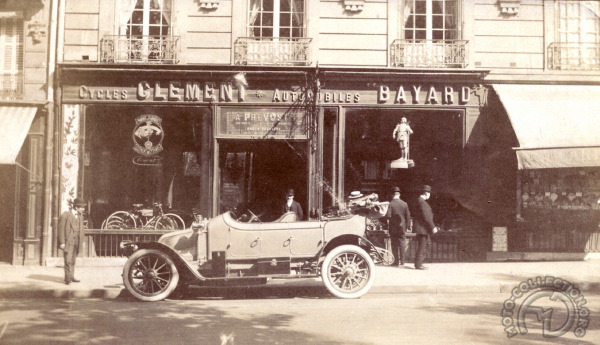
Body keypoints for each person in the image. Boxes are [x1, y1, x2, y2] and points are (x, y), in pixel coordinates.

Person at [58, 197, 86, 285]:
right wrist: (62, 242)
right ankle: (67, 279)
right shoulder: (65, 215)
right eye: (81, 207)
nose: (83, 209)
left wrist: (82, 241)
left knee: (73, 260)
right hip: (68, 242)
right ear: (76, 207)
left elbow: (81, 229)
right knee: (68, 260)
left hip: (77, 241)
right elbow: (61, 229)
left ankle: (72, 276)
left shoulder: (80, 216)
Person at [412, 185, 438, 270]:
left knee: (427, 245)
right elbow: (426, 216)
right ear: (426, 193)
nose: (430, 195)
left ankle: (419, 263)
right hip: (423, 229)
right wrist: (433, 227)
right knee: (423, 246)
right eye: (429, 193)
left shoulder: (419, 201)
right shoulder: (422, 202)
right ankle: (418, 264)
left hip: (422, 228)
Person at [385, 187, 411, 266]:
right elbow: (408, 216)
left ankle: (396, 262)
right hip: (402, 227)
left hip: (393, 228)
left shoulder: (390, 204)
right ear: (399, 194)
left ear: (393, 194)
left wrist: (387, 225)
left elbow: (388, 216)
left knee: (394, 244)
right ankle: (402, 262)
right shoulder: (404, 204)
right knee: (402, 244)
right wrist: (408, 226)